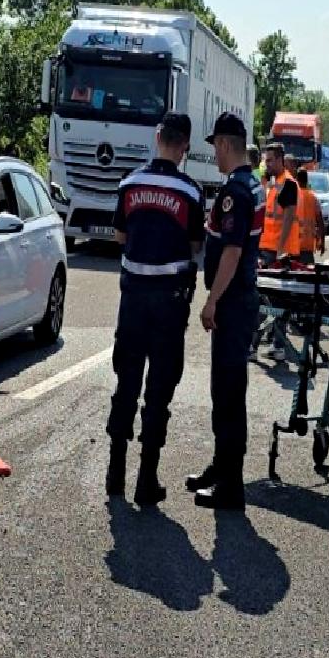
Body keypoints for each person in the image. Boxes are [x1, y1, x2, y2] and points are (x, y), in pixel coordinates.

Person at [105, 112, 204, 506]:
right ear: (185, 147)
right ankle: (146, 479)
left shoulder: (129, 183)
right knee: (159, 388)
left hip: (132, 298)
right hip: (170, 301)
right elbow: (195, 245)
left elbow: (119, 235)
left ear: (158, 136)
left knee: (126, 382)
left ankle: (115, 473)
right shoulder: (191, 192)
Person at [186, 112, 262, 511]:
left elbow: (231, 251)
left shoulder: (236, 190)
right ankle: (222, 467)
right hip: (240, 299)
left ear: (226, 144)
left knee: (228, 393)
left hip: (232, 302)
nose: (214, 153)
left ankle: (231, 486)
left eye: (215, 145)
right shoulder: (251, 183)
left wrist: (212, 300)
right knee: (227, 390)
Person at [258, 143, 299, 267]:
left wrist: (280, 249)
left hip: (277, 250)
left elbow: (289, 218)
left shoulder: (288, 183)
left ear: (279, 160)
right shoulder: (275, 181)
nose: (266, 164)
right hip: (268, 247)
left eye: (269, 160)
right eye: (266, 161)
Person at [294, 168, 326, 265]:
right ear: (307, 180)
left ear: (296, 180)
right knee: (307, 272)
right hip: (307, 247)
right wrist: (322, 242)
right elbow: (321, 223)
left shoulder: (292, 197)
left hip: (292, 246)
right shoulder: (313, 198)